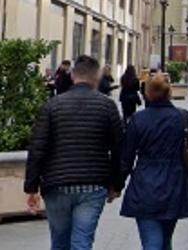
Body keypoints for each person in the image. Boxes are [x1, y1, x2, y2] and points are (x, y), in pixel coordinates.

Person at [24, 55, 126, 249]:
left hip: (56, 183)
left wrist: (31, 186)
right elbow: (118, 148)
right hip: (93, 184)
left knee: (60, 241)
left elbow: (37, 148)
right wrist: (116, 184)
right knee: (82, 242)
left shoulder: (52, 106)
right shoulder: (107, 106)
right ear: (96, 77)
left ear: (72, 76)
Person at [120, 73, 188, 250]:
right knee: (165, 239)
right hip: (175, 183)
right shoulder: (183, 117)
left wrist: (116, 186)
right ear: (169, 92)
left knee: (152, 241)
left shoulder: (138, 119)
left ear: (148, 93)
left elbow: (126, 157)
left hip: (145, 185)